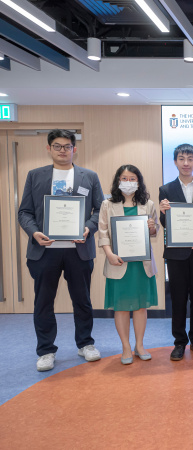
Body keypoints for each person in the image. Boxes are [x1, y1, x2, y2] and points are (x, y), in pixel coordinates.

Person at [18, 129, 104, 372]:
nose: (63, 150)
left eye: (67, 146)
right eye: (57, 146)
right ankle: (46, 350)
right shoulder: (35, 176)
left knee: (82, 300)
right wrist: (34, 232)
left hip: (79, 250)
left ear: (74, 149)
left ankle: (85, 344)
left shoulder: (89, 176)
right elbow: (24, 212)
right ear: (49, 148)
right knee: (43, 302)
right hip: (45, 251)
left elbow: (99, 210)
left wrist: (88, 228)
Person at [159, 144, 193, 361]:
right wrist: (162, 213)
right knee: (179, 297)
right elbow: (166, 223)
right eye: (181, 159)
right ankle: (179, 342)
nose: (186, 163)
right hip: (176, 253)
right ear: (175, 162)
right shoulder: (166, 190)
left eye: (190, 159)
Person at [99, 165, 159, 365]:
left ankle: (139, 345)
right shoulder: (107, 205)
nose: (128, 182)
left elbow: (154, 231)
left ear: (139, 181)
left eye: (132, 178)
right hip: (118, 262)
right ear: (118, 181)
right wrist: (109, 254)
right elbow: (103, 233)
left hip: (141, 264)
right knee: (121, 308)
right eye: (124, 178)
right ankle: (125, 346)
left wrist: (152, 228)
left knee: (141, 307)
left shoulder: (148, 204)